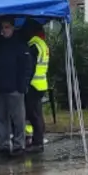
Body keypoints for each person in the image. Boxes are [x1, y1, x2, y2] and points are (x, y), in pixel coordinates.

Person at [0, 18, 34, 156]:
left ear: (13, 28)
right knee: (0, 118)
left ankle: (19, 144)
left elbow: (28, 67)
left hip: (15, 88)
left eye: (7, 27)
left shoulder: (20, 45)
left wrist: (23, 85)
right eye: (2, 27)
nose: (4, 30)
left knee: (18, 119)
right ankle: (4, 144)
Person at [25, 22, 50, 150]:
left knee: (33, 115)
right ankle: (38, 139)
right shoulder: (43, 45)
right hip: (41, 83)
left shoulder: (34, 45)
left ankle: (37, 142)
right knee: (37, 114)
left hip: (33, 84)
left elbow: (31, 67)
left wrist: (26, 82)